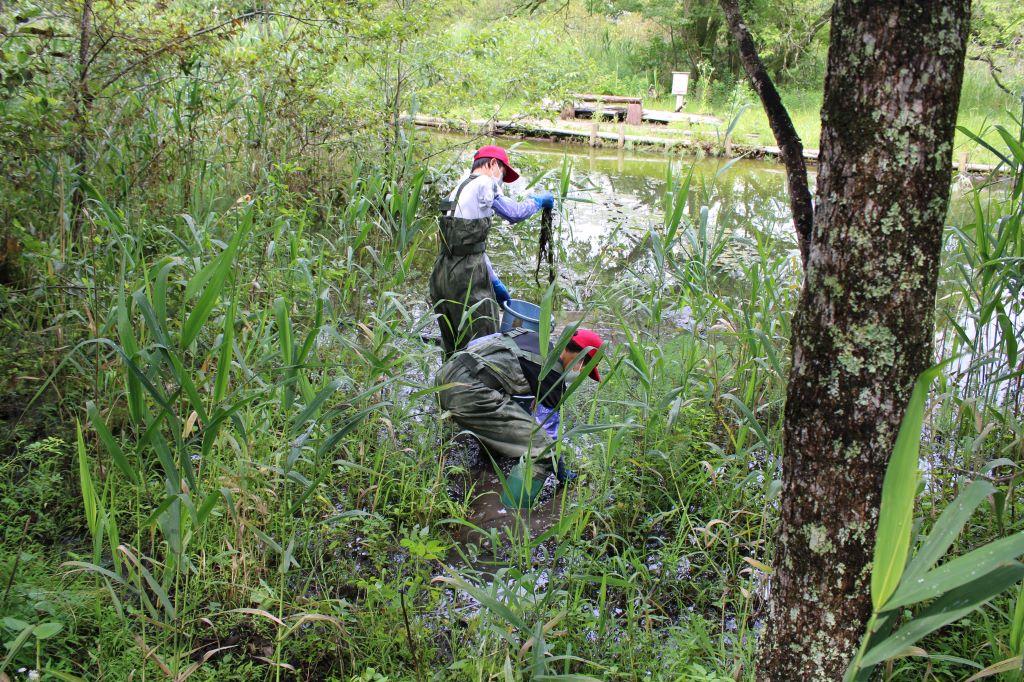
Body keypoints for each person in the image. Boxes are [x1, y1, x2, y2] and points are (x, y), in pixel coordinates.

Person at [436, 327, 604, 509]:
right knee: (540, 450)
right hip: (465, 393)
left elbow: (479, 344)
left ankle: (486, 460)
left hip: (446, 374)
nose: (581, 372)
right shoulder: (552, 378)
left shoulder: (533, 337)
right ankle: (511, 512)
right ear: (580, 359)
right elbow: (548, 436)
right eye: (585, 367)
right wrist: (561, 472)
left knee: (512, 421)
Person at [429, 145, 555, 357]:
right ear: (493, 164)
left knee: (453, 346)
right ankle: (479, 389)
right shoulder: (486, 182)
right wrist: (539, 200)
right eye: (503, 174)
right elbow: (514, 213)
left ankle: (448, 388)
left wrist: (494, 281)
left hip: (442, 275)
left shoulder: (459, 187)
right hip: (466, 278)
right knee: (483, 346)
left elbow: (469, 248)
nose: (501, 181)